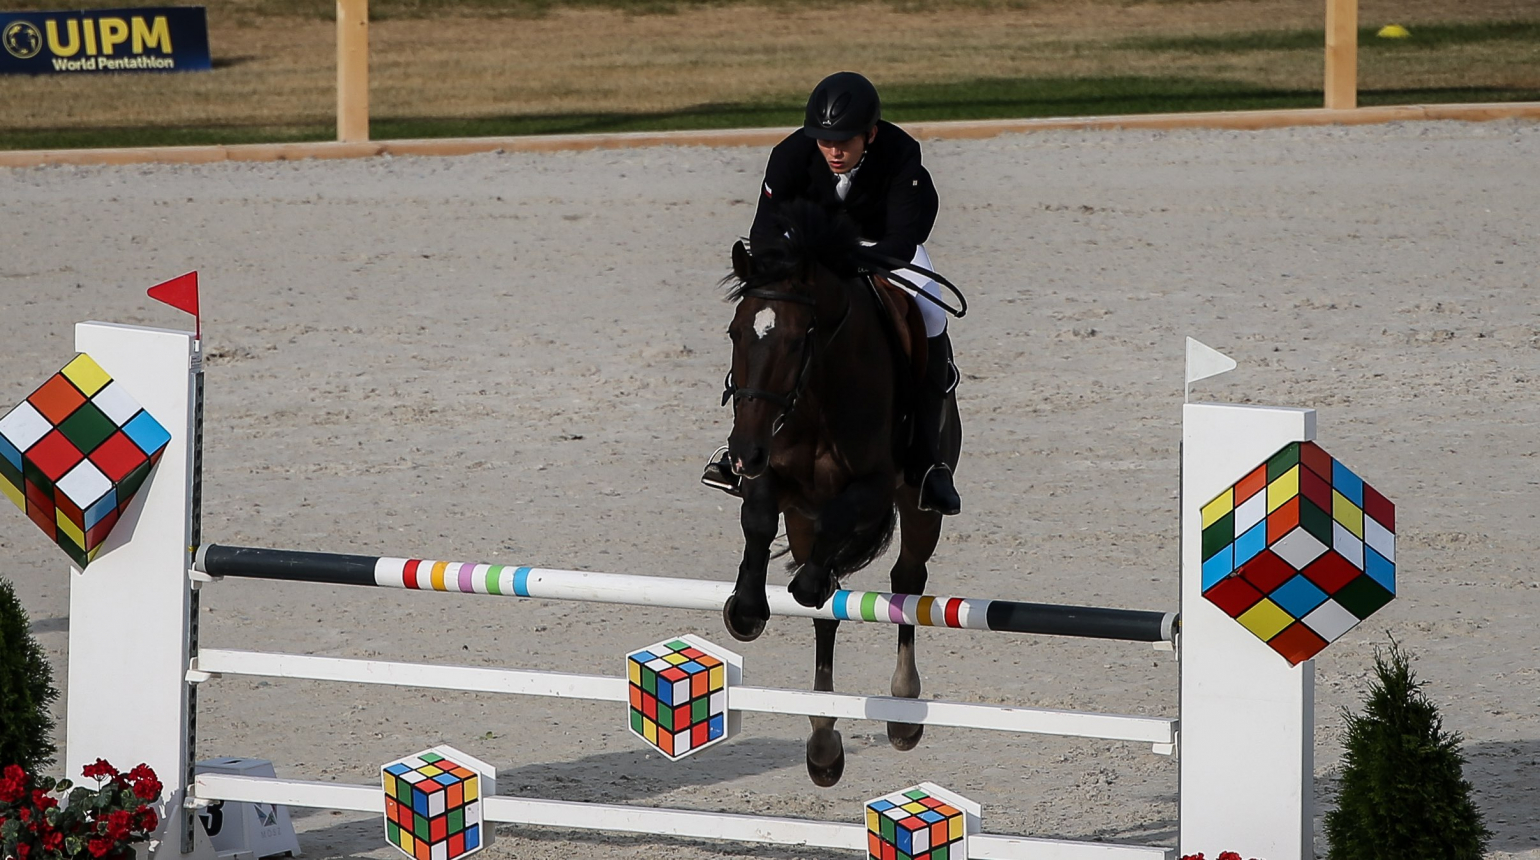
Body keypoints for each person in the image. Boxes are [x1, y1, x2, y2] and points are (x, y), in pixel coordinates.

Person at [703, 71, 961, 515]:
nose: (834, 151)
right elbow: (763, 233)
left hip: (881, 249)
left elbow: (903, 240)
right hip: (810, 254)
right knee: (764, 323)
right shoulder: (789, 155)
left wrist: (850, 262)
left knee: (932, 315)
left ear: (870, 134)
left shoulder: (901, 154)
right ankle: (740, 446)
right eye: (826, 142)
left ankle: (927, 461)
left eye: (844, 141)